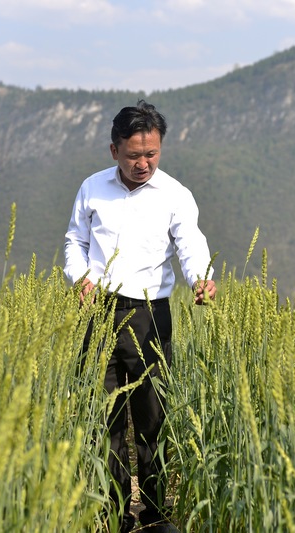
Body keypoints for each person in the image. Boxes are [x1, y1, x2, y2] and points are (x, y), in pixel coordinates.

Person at [64, 100, 216, 531]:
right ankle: (109, 512)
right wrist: (80, 278)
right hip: (98, 312)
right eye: (134, 155)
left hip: (151, 315)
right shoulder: (92, 187)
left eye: (151, 154)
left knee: (151, 417)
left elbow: (191, 243)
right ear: (114, 151)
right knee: (101, 417)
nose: (143, 163)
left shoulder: (175, 194)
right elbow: (74, 242)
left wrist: (202, 278)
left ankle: (150, 516)